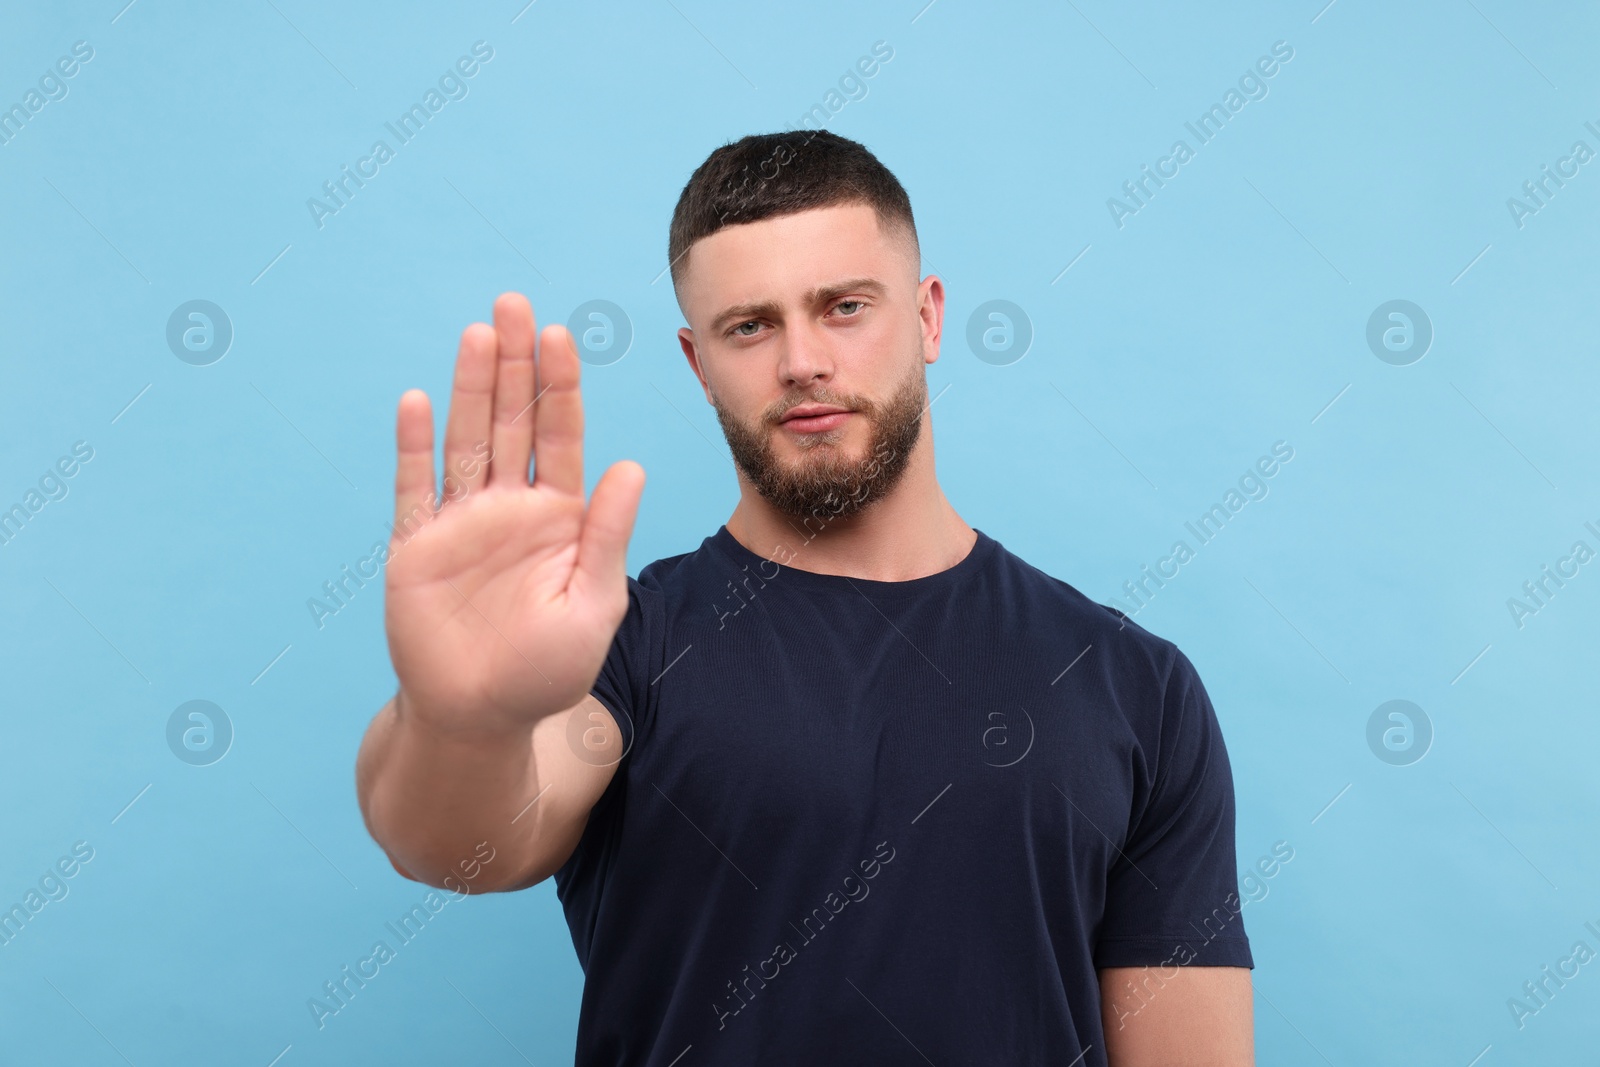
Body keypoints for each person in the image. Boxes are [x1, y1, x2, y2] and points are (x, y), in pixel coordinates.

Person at [355, 129, 1254, 1065]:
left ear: (929, 317)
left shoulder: (1132, 684)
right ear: (699, 365)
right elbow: (463, 842)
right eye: (750, 325)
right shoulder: (622, 647)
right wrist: (461, 721)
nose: (802, 361)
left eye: (844, 307)